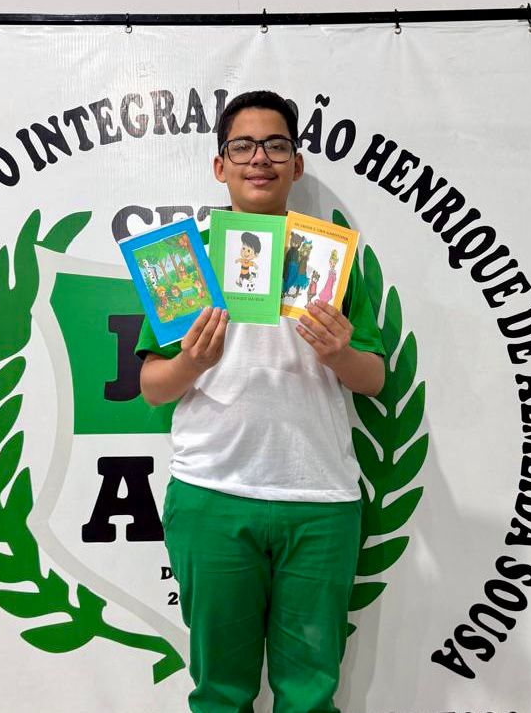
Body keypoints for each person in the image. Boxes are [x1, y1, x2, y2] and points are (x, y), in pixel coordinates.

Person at [135, 90, 385, 713]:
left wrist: (339, 354)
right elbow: (152, 387)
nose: (259, 159)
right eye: (242, 146)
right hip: (212, 495)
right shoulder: (185, 258)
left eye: (276, 145)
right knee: (219, 691)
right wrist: (192, 362)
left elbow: (374, 379)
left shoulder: (333, 259)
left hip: (320, 499)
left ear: (296, 164)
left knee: (310, 694)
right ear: (219, 165)